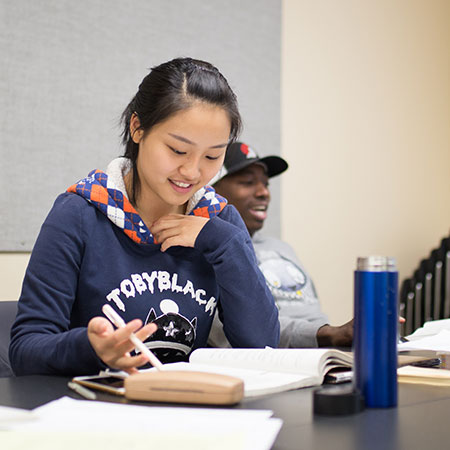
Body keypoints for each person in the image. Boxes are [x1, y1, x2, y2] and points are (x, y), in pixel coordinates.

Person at [9, 58, 280, 376]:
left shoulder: (220, 223)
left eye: (212, 156)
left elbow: (263, 347)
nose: (192, 172)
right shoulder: (79, 214)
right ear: (137, 128)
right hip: (98, 410)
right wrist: (91, 348)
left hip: (191, 411)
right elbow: (25, 349)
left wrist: (226, 243)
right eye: (178, 150)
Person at [208, 141, 353, 348]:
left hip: (324, 354)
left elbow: (314, 316)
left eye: (265, 184)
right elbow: (234, 332)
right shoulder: (209, 254)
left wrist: (346, 337)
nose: (263, 192)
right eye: (248, 182)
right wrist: (329, 334)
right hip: (271, 364)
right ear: (211, 192)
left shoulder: (281, 248)